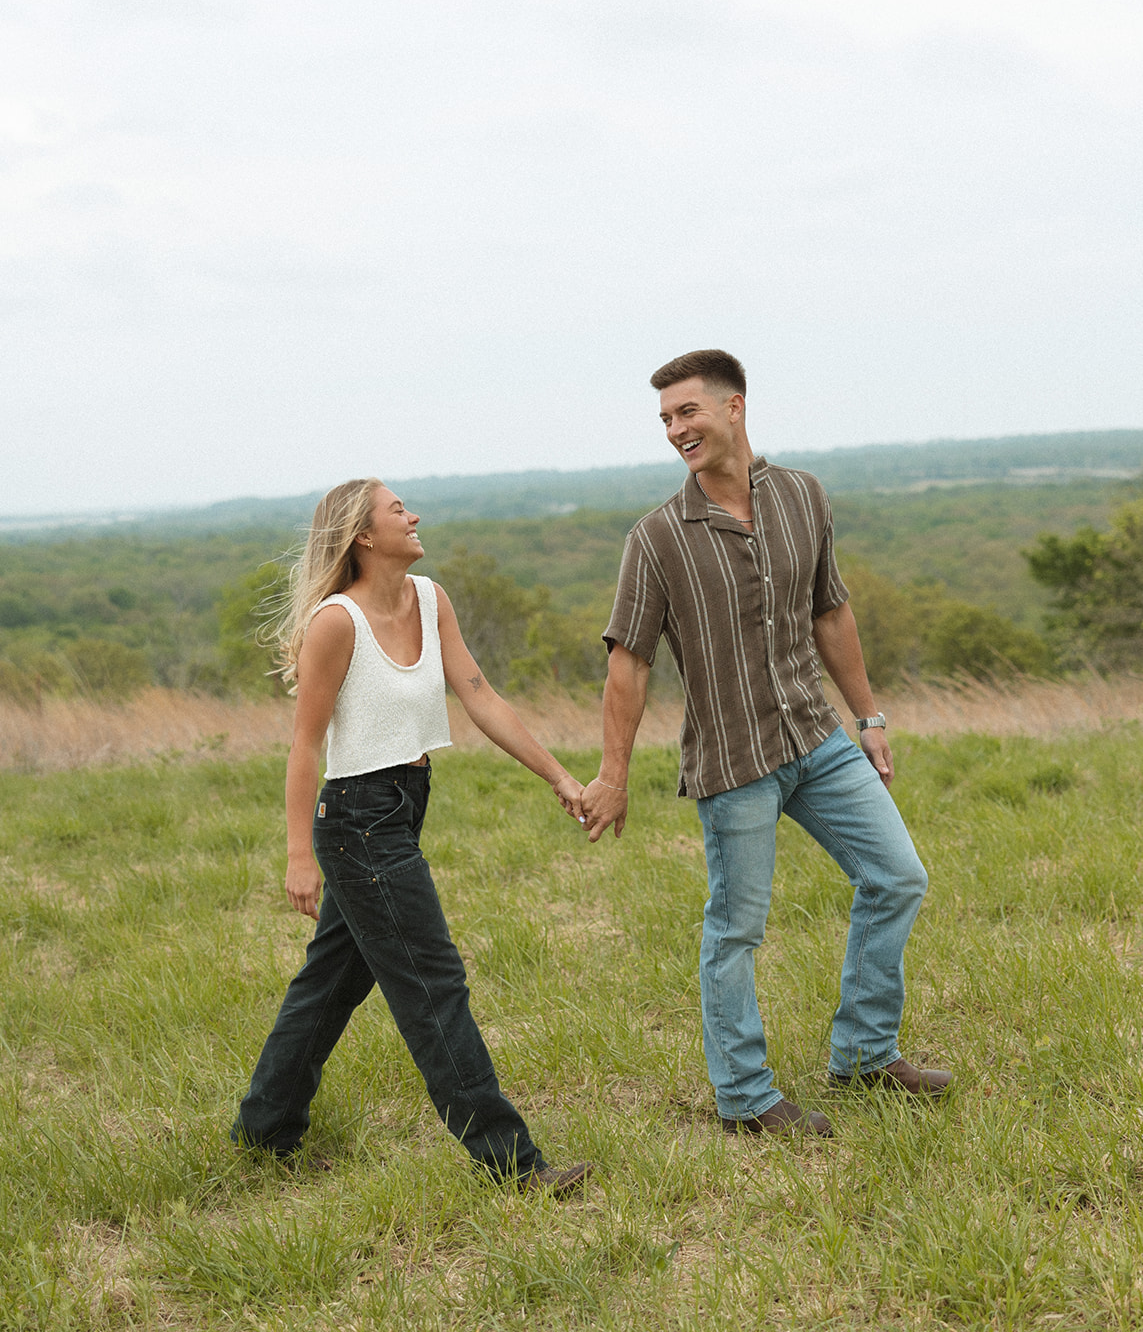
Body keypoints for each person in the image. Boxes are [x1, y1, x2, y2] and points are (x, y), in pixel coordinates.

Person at [576, 350, 950, 1138]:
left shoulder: (800, 497)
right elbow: (628, 664)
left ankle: (864, 1054)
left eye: (688, 413)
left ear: (733, 407)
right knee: (737, 928)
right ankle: (745, 1097)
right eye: (666, 420)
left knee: (897, 876)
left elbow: (830, 612)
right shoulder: (656, 539)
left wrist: (869, 717)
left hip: (816, 739)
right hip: (734, 762)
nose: (677, 430)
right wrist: (612, 776)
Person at [232, 476, 588, 1193]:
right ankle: (514, 1165)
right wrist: (299, 854)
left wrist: (557, 775)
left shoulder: (429, 600)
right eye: (398, 510)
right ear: (364, 535)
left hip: (403, 803)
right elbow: (305, 745)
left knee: (329, 984)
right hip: (357, 821)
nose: (413, 515)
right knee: (433, 985)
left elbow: (480, 695)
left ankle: (263, 1132)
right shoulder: (337, 622)